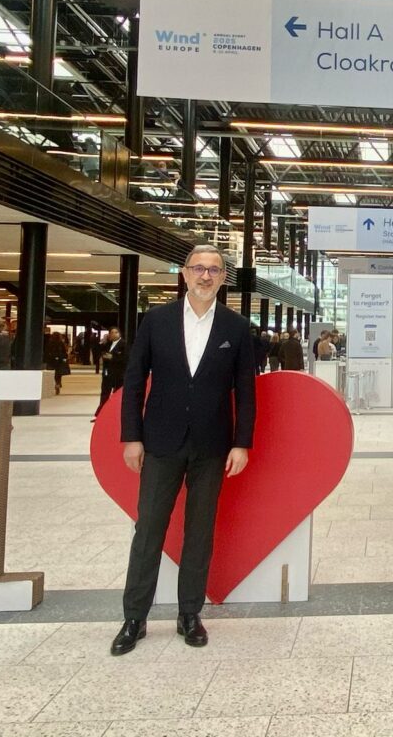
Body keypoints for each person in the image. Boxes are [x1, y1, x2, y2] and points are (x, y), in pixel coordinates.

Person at [113, 245, 256, 656]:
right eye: (198, 268)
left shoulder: (236, 327)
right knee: (148, 530)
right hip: (160, 442)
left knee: (199, 531)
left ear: (223, 278)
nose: (205, 276)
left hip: (212, 446)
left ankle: (189, 614)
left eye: (214, 270)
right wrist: (132, 436)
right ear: (185, 274)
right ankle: (134, 618)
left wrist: (242, 443)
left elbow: (246, 391)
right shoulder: (156, 321)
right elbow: (135, 380)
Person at [95, 327, 128, 418]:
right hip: (107, 373)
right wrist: (102, 343)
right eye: (112, 332)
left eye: (116, 332)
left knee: (116, 394)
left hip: (118, 374)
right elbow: (98, 352)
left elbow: (126, 359)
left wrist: (112, 357)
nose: (114, 334)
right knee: (105, 394)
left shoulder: (124, 344)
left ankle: (115, 414)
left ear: (119, 334)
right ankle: (101, 414)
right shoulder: (108, 344)